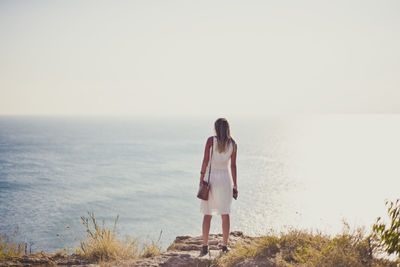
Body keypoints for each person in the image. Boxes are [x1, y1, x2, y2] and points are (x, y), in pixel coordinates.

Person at [199, 118, 238, 256]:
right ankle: (225, 246)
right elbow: (233, 166)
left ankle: (204, 246)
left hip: (211, 179)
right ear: (228, 128)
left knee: (207, 214)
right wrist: (235, 185)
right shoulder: (233, 144)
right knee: (225, 214)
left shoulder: (211, 140)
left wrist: (201, 178)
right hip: (225, 180)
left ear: (216, 128)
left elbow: (205, 161)